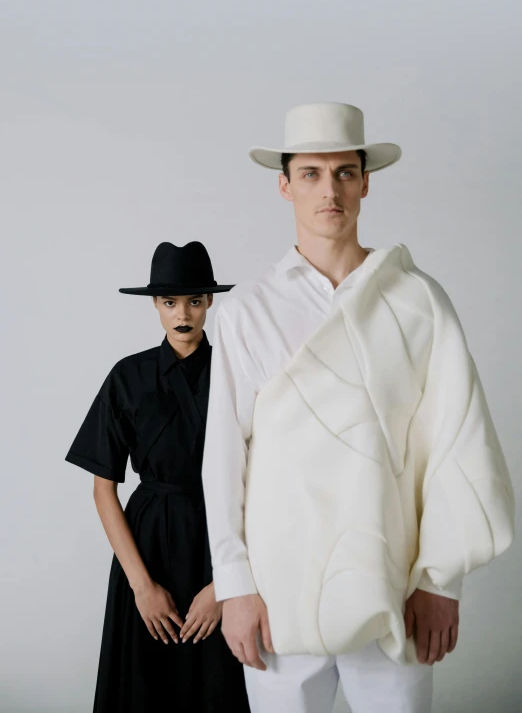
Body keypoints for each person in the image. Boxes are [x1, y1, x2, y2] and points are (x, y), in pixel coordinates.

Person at [201, 103, 515, 713]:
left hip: (391, 589)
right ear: (285, 184)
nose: (330, 191)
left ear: (366, 182)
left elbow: (457, 442)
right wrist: (235, 585)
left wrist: (438, 580)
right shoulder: (246, 310)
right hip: (278, 593)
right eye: (312, 173)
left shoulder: (417, 300)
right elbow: (223, 461)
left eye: (345, 172)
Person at [65, 241, 250, 713]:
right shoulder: (127, 376)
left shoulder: (239, 372)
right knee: (142, 689)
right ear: (155, 305)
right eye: (169, 302)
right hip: (145, 548)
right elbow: (103, 489)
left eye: (193, 300)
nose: (182, 313)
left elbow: (262, 482)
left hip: (220, 541)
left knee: (220, 686)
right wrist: (142, 588)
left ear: (210, 302)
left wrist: (226, 584)